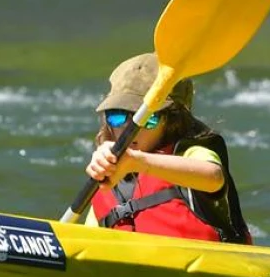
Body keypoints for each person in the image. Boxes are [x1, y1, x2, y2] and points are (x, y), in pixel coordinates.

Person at [84, 53, 252, 243]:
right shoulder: (106, 173)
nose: (128, 129)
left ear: (172, 122)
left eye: (148, 119)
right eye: (117, 116)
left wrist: (139, 162)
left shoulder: (191, 153)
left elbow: (214, 178)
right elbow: (87, 241)